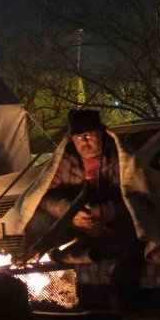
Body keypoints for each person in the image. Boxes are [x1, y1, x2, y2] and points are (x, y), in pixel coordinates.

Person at [23, 109, 146, 306]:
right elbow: (43, 196)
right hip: (75, 226)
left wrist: (105, 212)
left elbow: (139, 199)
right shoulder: (67, 162)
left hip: (112, 225)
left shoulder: (121, 158)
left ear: (101, 134)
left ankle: (123, 299)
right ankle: (44, 286)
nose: (84, 141)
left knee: (134, 238)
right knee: (37, 220)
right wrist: (69, 211)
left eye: (89, 135)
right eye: (78, 137)